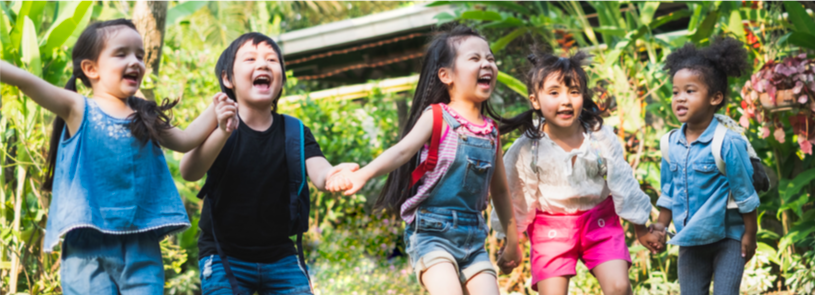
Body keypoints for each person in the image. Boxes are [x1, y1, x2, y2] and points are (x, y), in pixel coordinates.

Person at [0, 19, 229, 294]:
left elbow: (187, 140)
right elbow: (25, 80)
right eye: (121, 54)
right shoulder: (77, 108)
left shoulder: (145, 115)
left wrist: (219, 113)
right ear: (91, 68)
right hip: (87, 246)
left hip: (141, 245)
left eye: (140, 55)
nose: (135, 62)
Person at [326, 26, 522, 295]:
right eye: (474, 59)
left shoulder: (491, 132)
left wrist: (513, 241)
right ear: (446, 75)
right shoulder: (437, 117)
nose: (487, 63)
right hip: (432, 234)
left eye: (490, 58)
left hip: (474, 239)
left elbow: (499, 190)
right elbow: (401, 151)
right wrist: (363, 174)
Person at [179, 32, 356, 295]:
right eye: (250, 59)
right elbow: (189, 171)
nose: (263, 64)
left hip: (281, 256)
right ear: (228, 79)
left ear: (281, 78)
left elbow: (319, 170)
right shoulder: (217, 124)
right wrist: (222, 132)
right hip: (224, 257)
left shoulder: (294, 131)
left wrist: (333, 174)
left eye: (272, 60)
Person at [492, 51, 660, 295]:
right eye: (554, 92)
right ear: (535, 101)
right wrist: (510, 244)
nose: (566, 101)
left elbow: (623, 181)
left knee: (620, 288)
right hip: (550, 229)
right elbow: (516, 196)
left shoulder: (598, 137)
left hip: (599, 222)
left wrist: (641, 228)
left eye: (574, 91)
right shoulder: (529, 147)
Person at [651, 37, 760, 295]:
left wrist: (750, 235)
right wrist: (660, 227)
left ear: (715, 97)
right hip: (690, 240)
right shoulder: (669, 143)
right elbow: (669, 192)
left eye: (690, 91)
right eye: (675, 91)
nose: (680, 98)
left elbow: (746, 195)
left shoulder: (727, 142)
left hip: (729, 239)